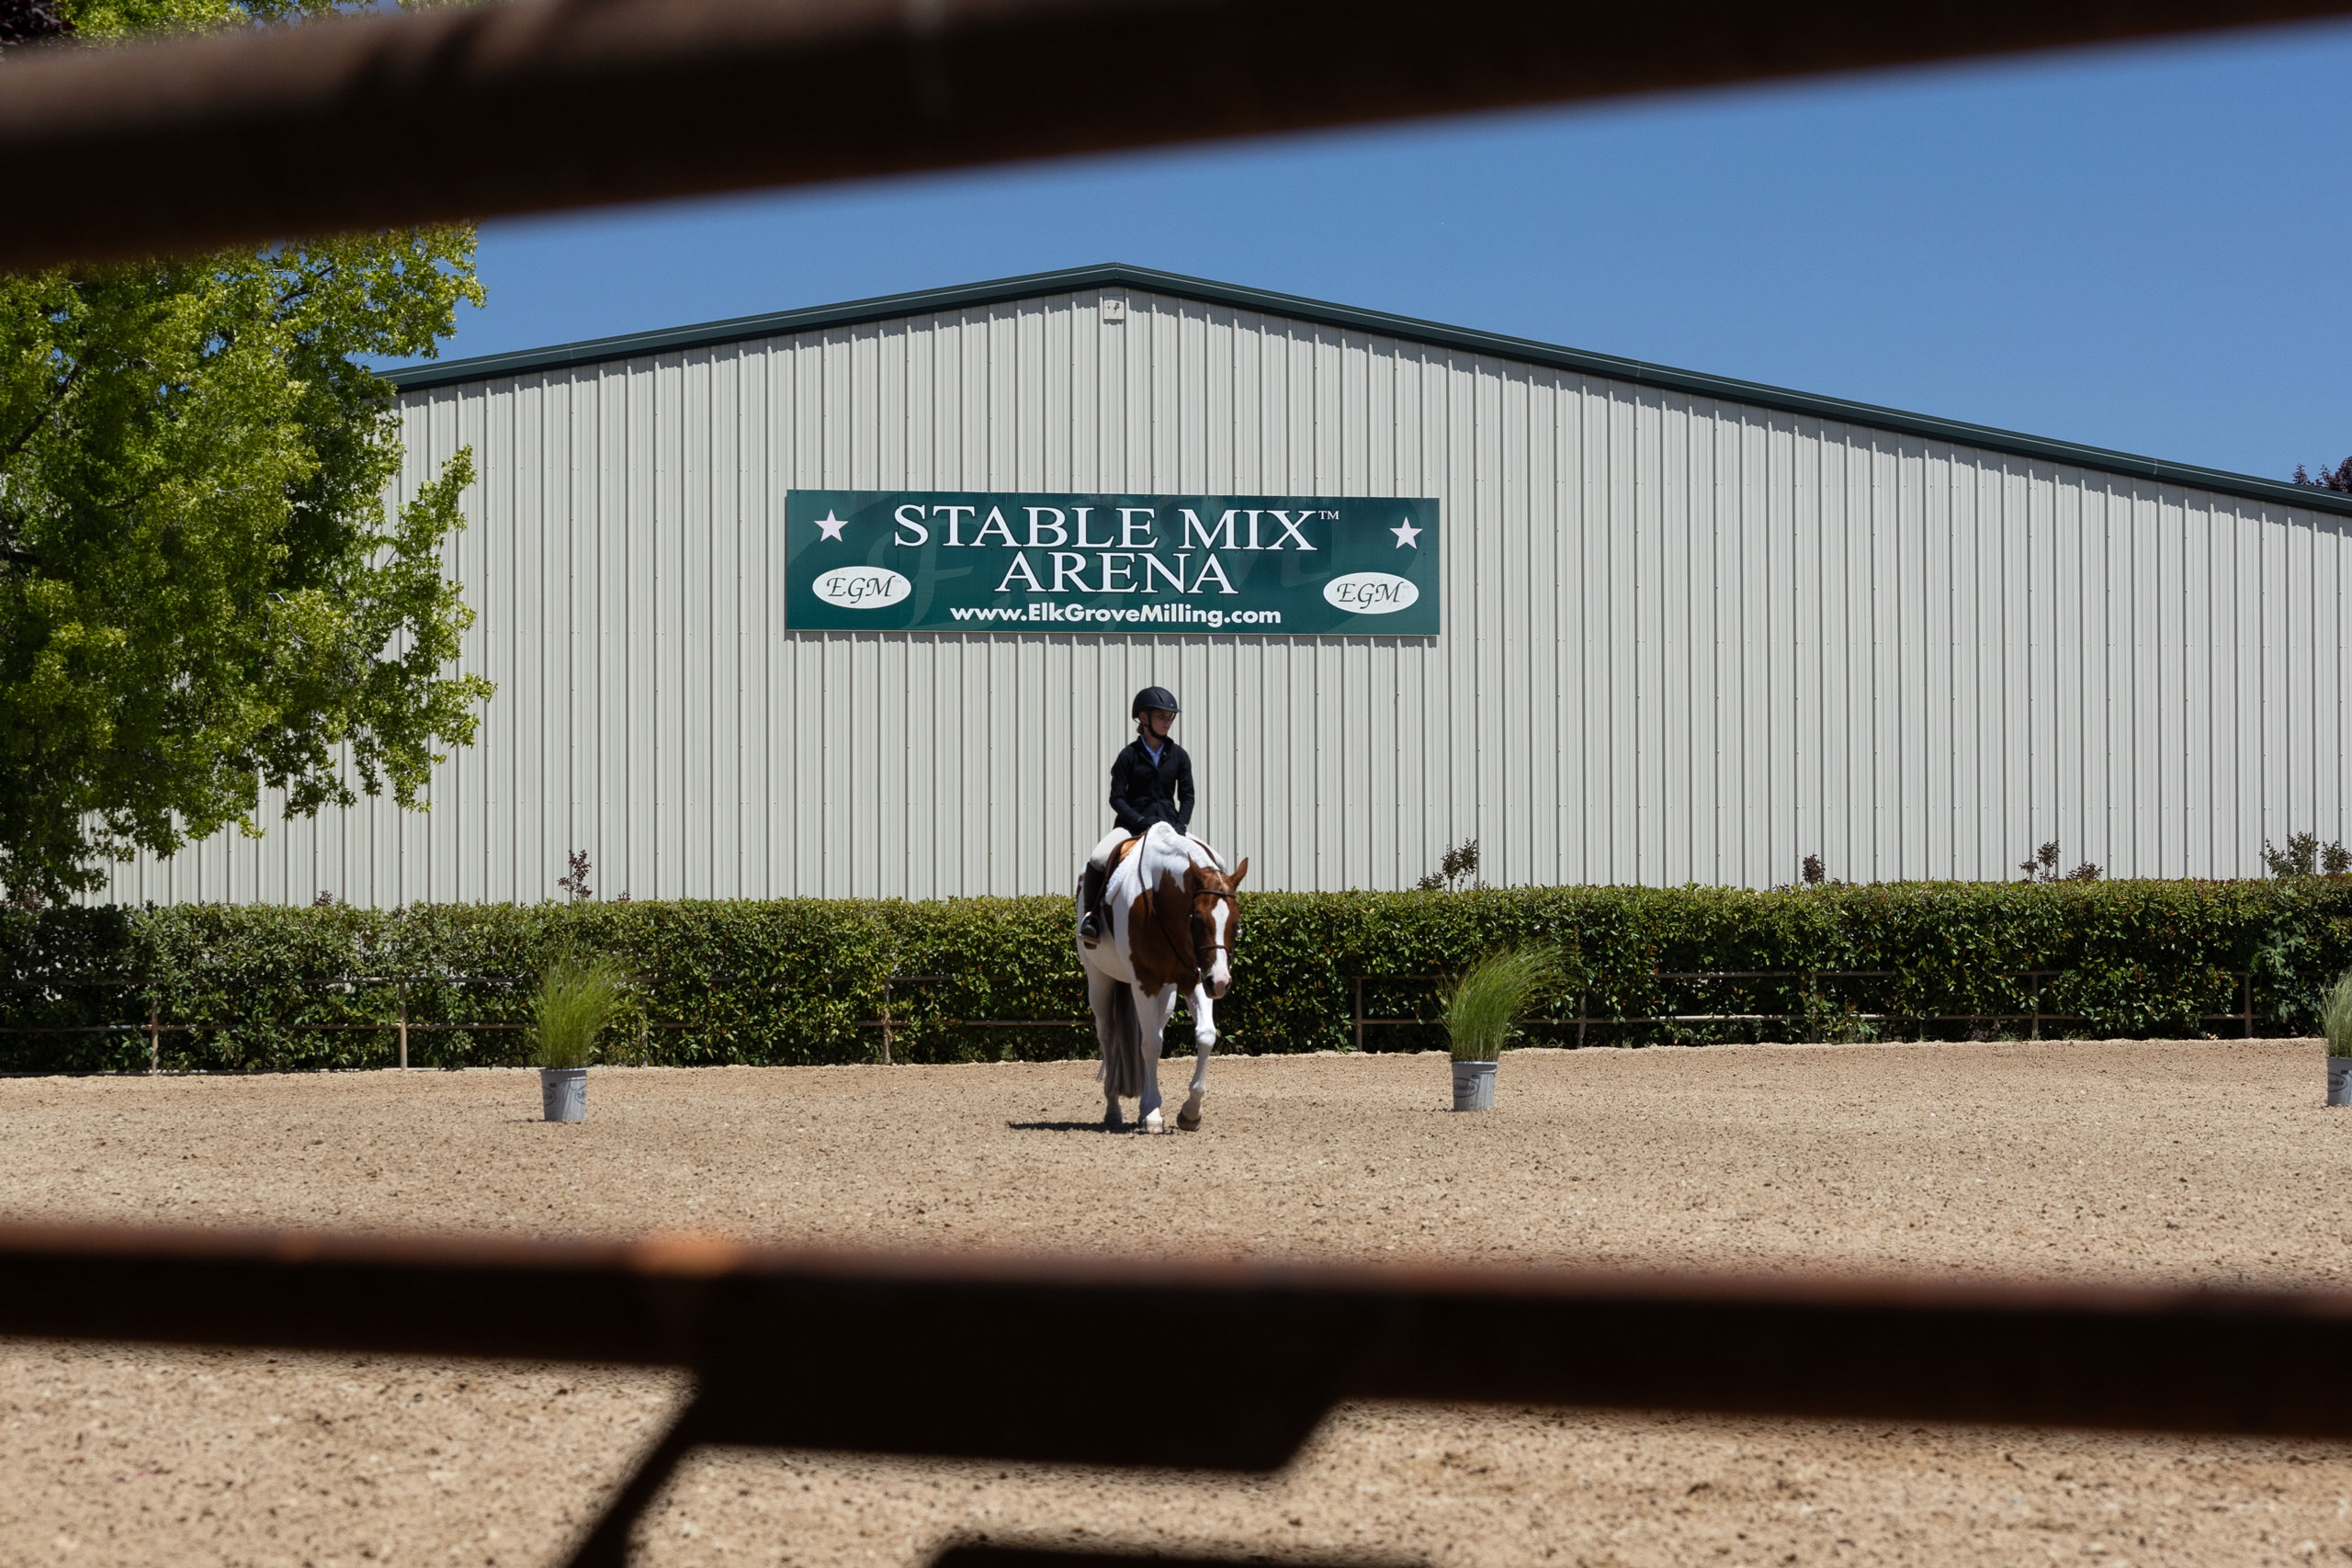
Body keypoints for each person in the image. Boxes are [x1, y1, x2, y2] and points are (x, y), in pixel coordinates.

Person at [1077, 685, 1194, 946]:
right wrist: (1140, 822)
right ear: (1144, 718)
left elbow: (1187, 796)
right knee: (1097, 858)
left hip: (1169, 829)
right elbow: (1116, 798)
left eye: (1170, 717)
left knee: (1211, 860)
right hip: (1131, 827)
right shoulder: (1128, 756)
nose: (1167, 722)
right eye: (1162, 716)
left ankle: (1213, 920)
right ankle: (1091, 919)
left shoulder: (1179, 756)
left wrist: (1180, 827)